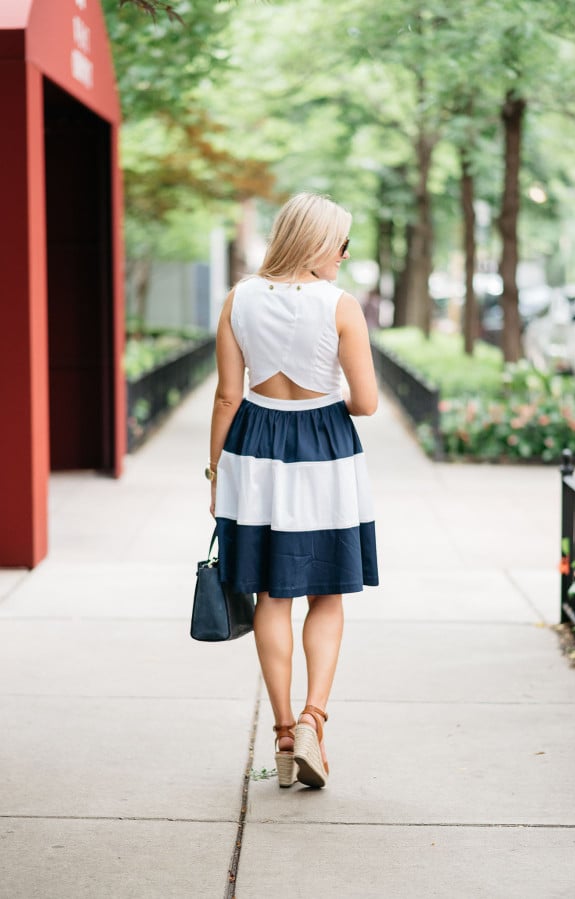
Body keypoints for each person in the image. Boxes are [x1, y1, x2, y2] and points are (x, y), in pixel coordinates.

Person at [207, 192, 379, 789]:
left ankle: (282, 734)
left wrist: (214, 474)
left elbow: (228, 395)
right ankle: (313, 719)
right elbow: (366, 402)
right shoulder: (340, 306)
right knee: (327, 594)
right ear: (317, 244)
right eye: (342, 243)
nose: (345, 255)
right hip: (325, 454)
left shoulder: (238, 298)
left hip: (253, 453)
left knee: (269, 596)